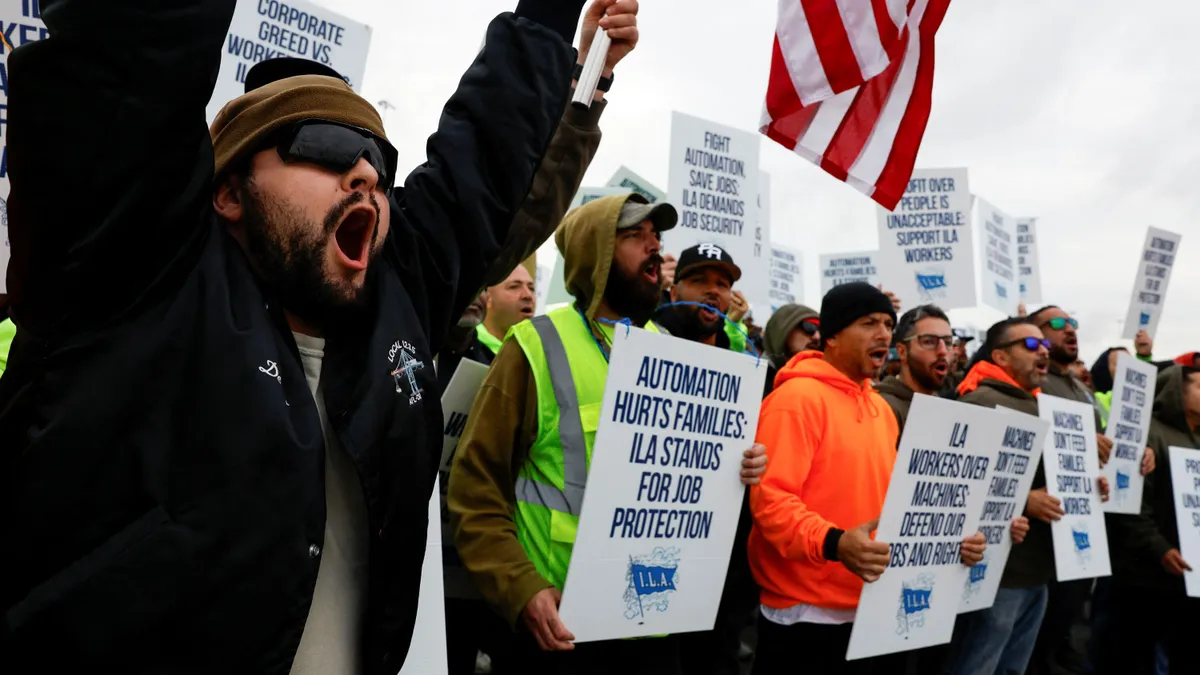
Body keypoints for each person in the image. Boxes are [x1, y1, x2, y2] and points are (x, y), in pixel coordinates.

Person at [0, 0, 641, 670]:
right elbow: (133, 62)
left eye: (377, 162)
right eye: (327, 148)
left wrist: (550, 18)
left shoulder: (397, 305)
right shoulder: (136, 280)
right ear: (228, 192)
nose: (364, 173)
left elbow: (482, 161)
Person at [446, 193, 769, 675]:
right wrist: (520, 588)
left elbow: (684, 475)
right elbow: (475, 489)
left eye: (656, 237)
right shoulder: (536, 345)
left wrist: (737, 465)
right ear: (595, 250)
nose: (654, 247)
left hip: (653, 626)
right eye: (634, 236)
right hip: (557, 627)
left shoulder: (671, 350)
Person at [749, 282, 985, 675]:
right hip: (806, 617)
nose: (883, 334)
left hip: (874, 609)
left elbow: (902, 501)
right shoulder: (795, 401)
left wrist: (949, 539)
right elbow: (772, 503)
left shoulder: (879, 407)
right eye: (868, 322)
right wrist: (835, 543)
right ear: (834, 335)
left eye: (888, 324)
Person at [945, 318, 1110, 675]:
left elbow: (1049, 474)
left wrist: (1088, 484)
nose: (1043, 352)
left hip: (1036, 569)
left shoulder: (1040, 404)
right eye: (1031, 345)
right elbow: (957, 484)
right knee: (979, 665)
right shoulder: (982, 401)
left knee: (1011, 667)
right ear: (1001, 357)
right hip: (997, 573)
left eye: (1044, 347)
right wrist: (1024, 501)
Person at [1095, 365, 1200, 674]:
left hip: (1189, 578)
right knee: (1132, 656)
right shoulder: (1148, 433)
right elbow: (1131, 502)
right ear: (1177, 392)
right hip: (1145, 575)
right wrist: (1159, 548)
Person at [876, 305, 953, 436]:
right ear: (902, 351)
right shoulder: (882, 409)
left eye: (948, 342)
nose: (943, 351)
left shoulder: (945, 409)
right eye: (929, 341)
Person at [653, 243, 745, 351]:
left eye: (721, 284)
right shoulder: (646, 339)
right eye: (699, 280)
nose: (713, 290)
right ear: (674, 293)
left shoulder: (734, 361)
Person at [761, 303, 820, 397]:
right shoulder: (750, 379)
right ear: (781, 330)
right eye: (809, 327)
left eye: (820, 330)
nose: (817, 336)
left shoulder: (824, 382)